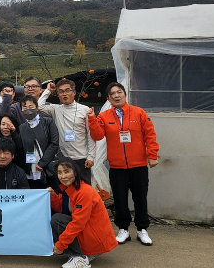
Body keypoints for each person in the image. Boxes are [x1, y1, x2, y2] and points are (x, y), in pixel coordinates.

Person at [88, 82, 160, 246]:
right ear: (108, 98)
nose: (116, 95)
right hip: (117, 167)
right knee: (120, 199)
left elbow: (150, 135)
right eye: (112, 94)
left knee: (140, 198)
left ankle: (142, 229)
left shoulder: (138, 113)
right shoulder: (104, 116)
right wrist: (92, 118)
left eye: (119, 92)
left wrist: (152, 155)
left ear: (124, 94)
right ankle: (123, 229)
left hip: (138, 166)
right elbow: (98, 136)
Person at [49, 158, 117, 268]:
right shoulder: (69, 189)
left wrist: (61, 245)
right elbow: (63, 209)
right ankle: (78, 253)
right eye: (59, 173)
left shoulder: (84, 191)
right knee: (57, 218)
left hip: (95, 236)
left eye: (66, 172)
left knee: (58, 219)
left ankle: (79, 257)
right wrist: (53, 197)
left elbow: (78, 223)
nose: (63, 176)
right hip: (88, 231)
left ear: (75, 172)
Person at [39, 79, 96, 183]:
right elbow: (40, 106)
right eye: (61, 91)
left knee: (83, 192)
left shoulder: (84, 110)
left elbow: (91, 135)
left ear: (74, 92)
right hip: (63, 159)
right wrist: (48, 91)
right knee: (66, 194)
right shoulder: (55, 109)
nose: (64, 94)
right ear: (58, 95)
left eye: (67, 90)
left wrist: (91, 157)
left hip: (82, 159)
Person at [18, 95, 61, 189]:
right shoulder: (22, 127)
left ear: (37, 108)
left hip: (46, 167)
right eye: (24, 107)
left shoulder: (48, 122)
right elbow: (21, 148)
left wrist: (43, 163)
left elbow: (54, 143)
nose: (27, 109)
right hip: (29, 168)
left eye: (31, 106)